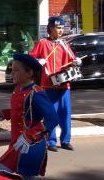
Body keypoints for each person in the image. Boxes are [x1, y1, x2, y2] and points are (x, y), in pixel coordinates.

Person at [0, 53, 58, 180]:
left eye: (16, 70)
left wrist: (30, 136)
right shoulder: (18, 89)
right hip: (18, 142)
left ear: (29, 73)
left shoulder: (37, 92)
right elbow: (21, 111)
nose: (12, 73)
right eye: (12, 70)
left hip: (28, 145)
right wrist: (3, 113)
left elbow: (52, 119)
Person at [29, 15, 81, 151]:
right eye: (58, 28)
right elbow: (30, 58)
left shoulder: (64, 43)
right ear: (50, 29)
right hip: (48, 84)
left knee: (65, 114)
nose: (60, 31)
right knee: (51, 114)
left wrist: (77, 61)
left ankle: (65, 140)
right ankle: (51, 141)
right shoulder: (42, 43)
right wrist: (37, 62)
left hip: (64, 84)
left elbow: (72, 58)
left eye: (62, 28)